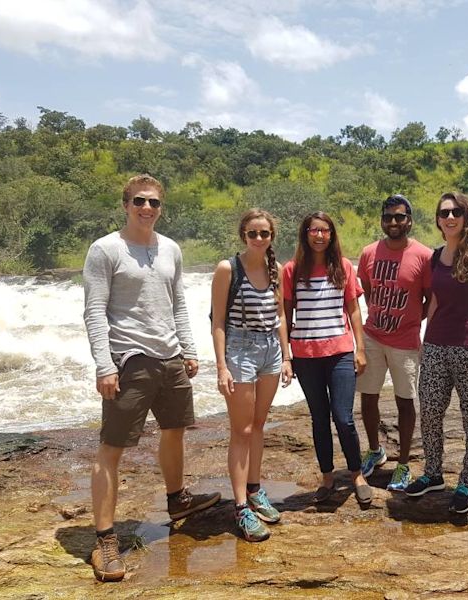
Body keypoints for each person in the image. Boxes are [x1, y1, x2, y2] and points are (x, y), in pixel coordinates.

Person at [83, 174, 220, 582]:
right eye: (140, 201)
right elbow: (94, 311)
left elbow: (178, 301)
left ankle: (177, 500)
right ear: (126, 204)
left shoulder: (170, 249)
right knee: (112, 447)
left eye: (154, 203)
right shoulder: (106, 249)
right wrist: (105, 365)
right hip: (130, 360)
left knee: (175, 430)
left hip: (171, 356)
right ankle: (105, 539)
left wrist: (190, 349)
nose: (147, 208)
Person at [404, 191, 468, 514]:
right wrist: (424, 339)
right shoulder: (436, 256)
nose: (449, 217)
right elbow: (434, 301)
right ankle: (433, 473)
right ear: (438, 219)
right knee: (430, 410)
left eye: (456, 211)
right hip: (435, 346)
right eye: (444, 212)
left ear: (466, 216)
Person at [211, 209, 293, 542]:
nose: (259, 239)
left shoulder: (277, 270)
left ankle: (256, 489)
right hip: (240, 350)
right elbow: (217, 322)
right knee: (241, 429)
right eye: (253, 233)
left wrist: (287, 356)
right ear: (243, 235)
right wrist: (221, 366)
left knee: (259, 424)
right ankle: (241, 506)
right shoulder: (228, 269)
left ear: (272, 237)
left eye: (264, 234)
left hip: (270, 350)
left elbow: (281, 315)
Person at [282, 211, 372, 505]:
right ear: (305, 234)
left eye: (324, 231)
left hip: (340, 353)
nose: (319, 235)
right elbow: (285, 314)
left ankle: (357, 473)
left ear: (332, 235)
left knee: (343, 418)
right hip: (306, 355)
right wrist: (287, 355)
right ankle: (327, 477)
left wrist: (360, 348)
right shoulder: (292, 270)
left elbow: (354, 309)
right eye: (313, 230)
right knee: (319, 418)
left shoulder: (343, 267)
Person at [357, 194, 432, 491]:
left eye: (400, 217)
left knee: (405, 400)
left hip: (405, 342)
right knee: (368, 395)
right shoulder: (368, 253)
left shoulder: (424, 256)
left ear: (410, 220)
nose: (394, 222)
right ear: (381, 220)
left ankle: (403, 464)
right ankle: (376, 450)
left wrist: (413, 319)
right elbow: (367, 289)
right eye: (388, 217)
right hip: (372, 336)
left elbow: (430, 298)